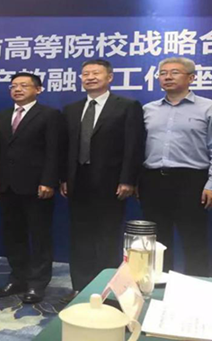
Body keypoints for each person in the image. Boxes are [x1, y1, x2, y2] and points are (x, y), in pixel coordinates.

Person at [60, 59, 145, 302]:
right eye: (85, 74)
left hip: (111, 183)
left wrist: (127, 179)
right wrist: (64, 178)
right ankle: (80, 287)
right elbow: (65, 148)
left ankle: (106, 289)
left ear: (109, 77)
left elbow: (133, 145)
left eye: (96, 73)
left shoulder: (126, 106)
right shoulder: (72, 109)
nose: (90, 77)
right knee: (79, 237)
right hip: (78, 181)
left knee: (107, 236)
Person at [140, 57, 212, 277]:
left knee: (194, 239)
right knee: (157, 241)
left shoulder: (211, 108)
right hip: (153, 180)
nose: (167, 77)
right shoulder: (148, 109)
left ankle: (195, 287)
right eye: (163, 73)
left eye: (174, 72)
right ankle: (158, 284)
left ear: (191, 78)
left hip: (191, 181)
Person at [0, 72, 61, 303]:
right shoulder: (2, 115)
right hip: (8, 185)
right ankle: (17, 278)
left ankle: (37, 283)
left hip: (37, 186)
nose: (17, 89)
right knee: (13, 235)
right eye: (13, 86)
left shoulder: (49, 115)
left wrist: (48, 181)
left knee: (40, 237)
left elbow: (54, 151)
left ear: (38, 90)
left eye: (24, 85)